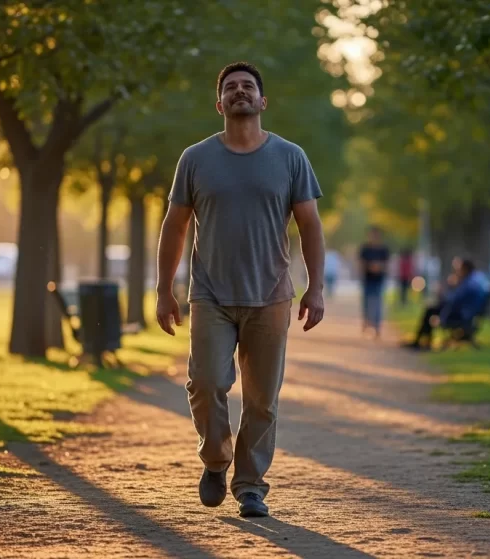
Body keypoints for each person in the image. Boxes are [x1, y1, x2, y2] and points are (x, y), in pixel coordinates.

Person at [155, 61, 325, 519]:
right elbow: (175, 226)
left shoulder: (291, 157)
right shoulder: (195, 158)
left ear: (263, 101)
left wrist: (316, 288)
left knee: (261, 399)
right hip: (209, 293)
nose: (240, 91)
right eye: (231, 87)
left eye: (248, 86)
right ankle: (215, 459)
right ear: (219, 104)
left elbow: (310, 224)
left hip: (271, 295)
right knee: (206, 382)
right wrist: (163, 288)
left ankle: (250, 486)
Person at [404, 257, 490, 350]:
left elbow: (453, 300)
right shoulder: (477, 279)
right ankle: (422, 342)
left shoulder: (469, 283)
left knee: (430, 310)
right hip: (470, 314)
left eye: (459, 270)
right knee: (432, 309)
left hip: (461, 316)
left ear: (465, 269)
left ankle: (421, 342)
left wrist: (448, 289)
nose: (458, 272)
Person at [358, 226, 390, 338]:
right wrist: (369, 267)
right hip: (367, 279)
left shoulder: (383, 250)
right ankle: (366, 322)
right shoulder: (365, 249)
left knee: (377, 303)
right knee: (366, 303)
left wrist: (378, 267)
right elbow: (360, 263)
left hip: (379, 280)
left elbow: (387, 265)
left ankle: (377, 327)